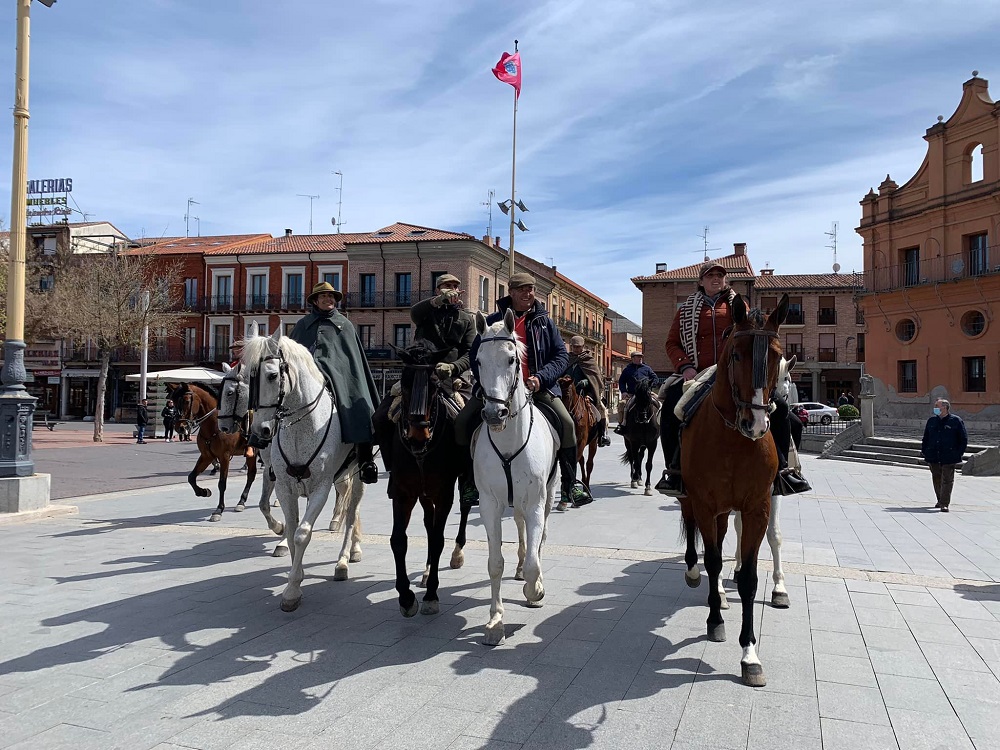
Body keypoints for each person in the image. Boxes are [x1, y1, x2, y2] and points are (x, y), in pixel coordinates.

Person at [455, 272, 594, 509]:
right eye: (521, 289)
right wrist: (488, 385)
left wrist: (541, 378)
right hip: (496, 391)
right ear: (511, 292)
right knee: (462, 422)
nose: (527, 294)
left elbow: (560, 356)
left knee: (568, 425)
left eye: (530, 289)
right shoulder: (492, 322)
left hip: (538, 388)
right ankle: (468, 483)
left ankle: (571, 483)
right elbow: (476, 356)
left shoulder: (545, 323)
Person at [372, 273, 476, 481]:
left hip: (451, 379)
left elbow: (470, 352)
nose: (452, 289)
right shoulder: (425, 313)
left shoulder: (467, 319)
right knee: (381, 417)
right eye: (447, 286)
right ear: (438, 290)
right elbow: (414, 312)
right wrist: (438, 301)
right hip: (417, 376)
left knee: (470, 422)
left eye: (456, 285)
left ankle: (468, 480)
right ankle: (392, 469)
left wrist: (454, 367)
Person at [288, 281, 381, 484]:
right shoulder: (303, 325)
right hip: (307, 378)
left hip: (340, 376)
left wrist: (330, 369)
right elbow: (291, 355)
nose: (328, 299)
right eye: (323, 297)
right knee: (279, 405)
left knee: (359, 403)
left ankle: (365, 460)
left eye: (331, 297)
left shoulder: (344, 325)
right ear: (315, 301)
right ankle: (271, 458)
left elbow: (350, 359)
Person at [921, 398, 968, 512]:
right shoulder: (932, 421)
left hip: (949, 456)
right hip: (933, 455)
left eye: (937, 406)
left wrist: (958, 453)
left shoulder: (956, 421)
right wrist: (925, 451)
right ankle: (940, 499)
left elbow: (963, 439)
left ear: (945, 408)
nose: (935, 408)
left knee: (947, 480)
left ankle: (944, 503)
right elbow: (926, 437)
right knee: (936, 478)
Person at [563, 335, 611, 447]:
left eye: (578, 347)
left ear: (583, 347)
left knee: (601, 410)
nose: (576, 349)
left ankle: (602, 435)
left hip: (586, 393)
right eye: (574, 347)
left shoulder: (589, 360)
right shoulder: (567, 359)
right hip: (567, 392)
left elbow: (595, 379)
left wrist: (586, 383)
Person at [614, 351, 658, 434]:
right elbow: (622, 381)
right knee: (622, 405)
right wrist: (623, 392)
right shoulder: (627, 370)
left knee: (659, 402)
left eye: (641, 357)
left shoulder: (647, 368)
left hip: (646, 393)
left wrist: (649, 385)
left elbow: (655, 378)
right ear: (633, 358)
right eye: (638, 357)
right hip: (632, 394)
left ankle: (660, 423)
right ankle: (622, 425)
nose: (640, 358)